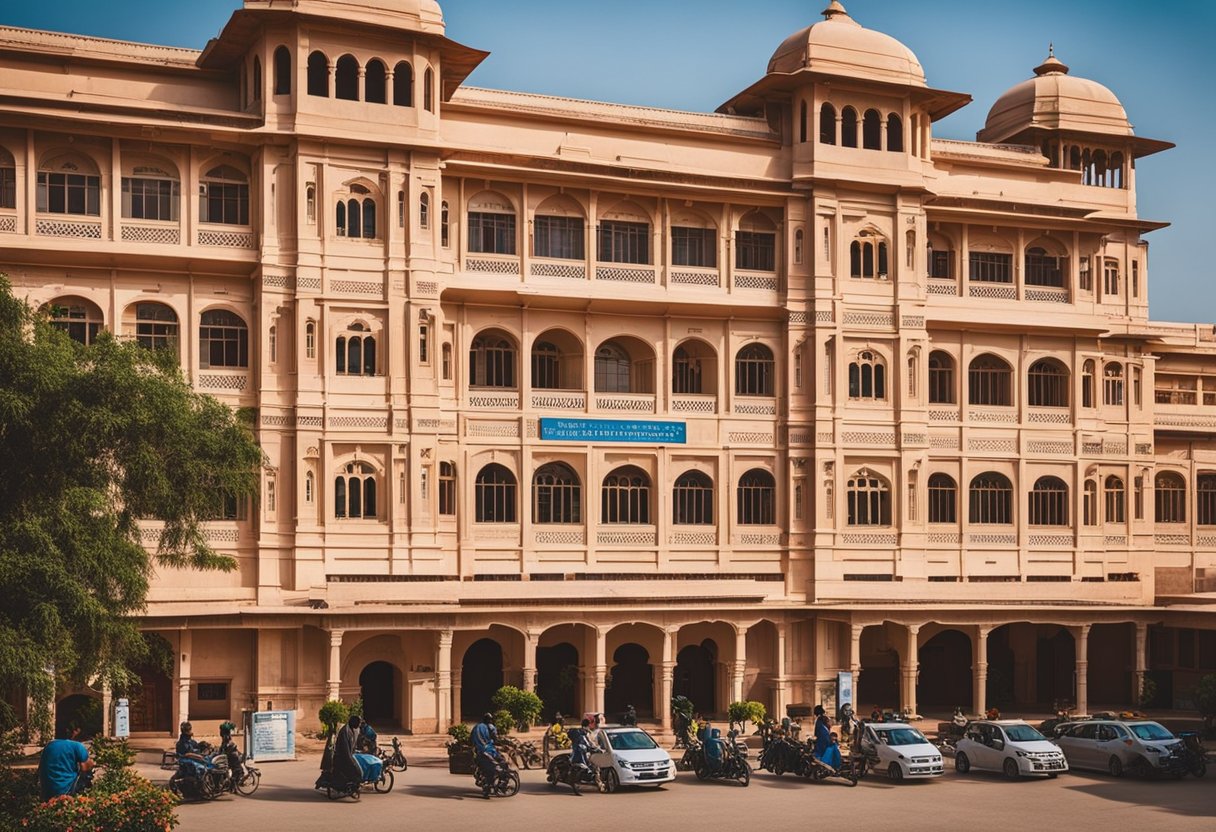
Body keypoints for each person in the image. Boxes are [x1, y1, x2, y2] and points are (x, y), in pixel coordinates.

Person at [37, 727, 93, 802]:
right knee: (87, 774)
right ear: (75, 732)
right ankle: (83, 799)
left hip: (47, 790)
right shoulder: (76, 745)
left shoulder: (49, 745)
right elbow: (85, 768)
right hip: (66, 790)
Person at [470, 712, 500, 798]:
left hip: (478, 752)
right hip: (488, 752)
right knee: (493, 769)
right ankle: (487, 790)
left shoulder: (476, 727)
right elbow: (495, 738)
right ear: (490, 720)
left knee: (484, 769)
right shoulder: (491, 727)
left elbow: (471, 739)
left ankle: (483, 782)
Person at [333, 714, 364, 790]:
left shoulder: (353, 730)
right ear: (354, 722)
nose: (359, 725)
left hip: (349, 755)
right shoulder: (345, 732)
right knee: (356, 771)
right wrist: (351, 761)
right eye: (359, 723)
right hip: (341, 758)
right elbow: (345, 750)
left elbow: (356, 744)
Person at [812, 705, 841, 773]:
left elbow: (816, 733)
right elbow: (826, 740)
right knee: (833, 748)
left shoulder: (820, 722)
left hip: (820, 743)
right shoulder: (823, 729)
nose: (830, 723)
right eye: (829, 721)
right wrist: (833, 742)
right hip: (822, 746)